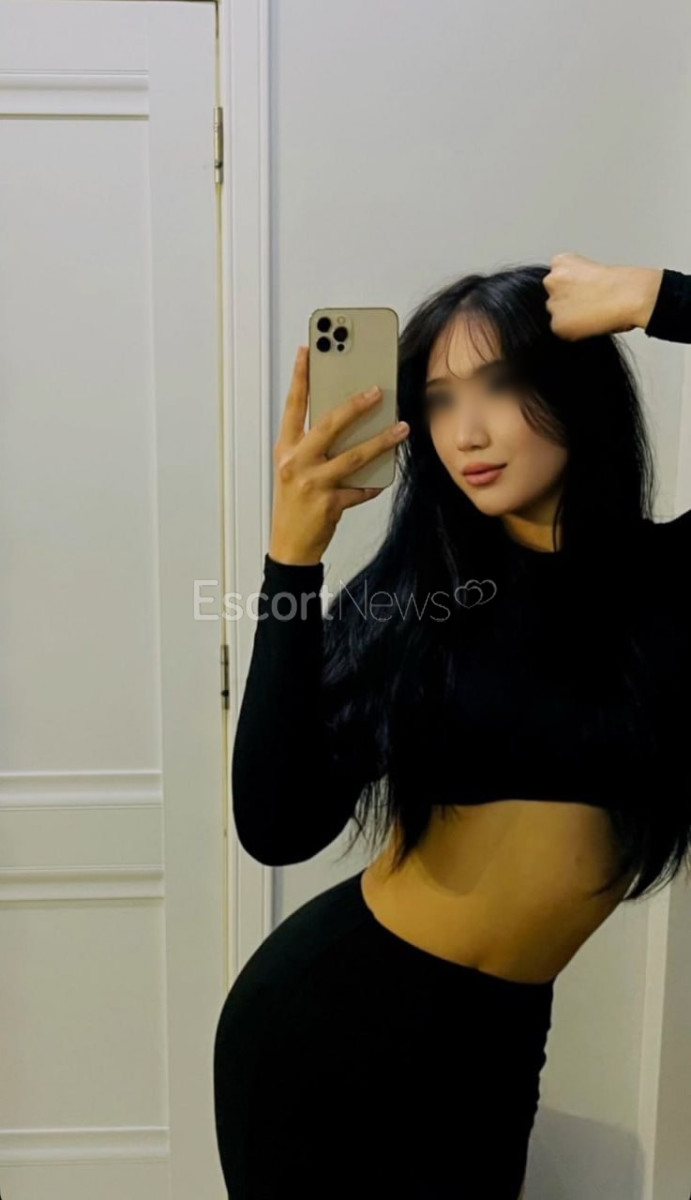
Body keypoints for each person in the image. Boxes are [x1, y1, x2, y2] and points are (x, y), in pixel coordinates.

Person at [213, 254, 691, 1199]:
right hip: (321, 1031)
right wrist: (290, 565)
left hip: (494, 1043)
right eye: (437, 400)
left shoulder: (668, 583)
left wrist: (659, 299)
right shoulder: (416, 598)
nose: (465, 432)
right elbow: (275, 824)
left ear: (576, 388)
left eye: (501, 385)